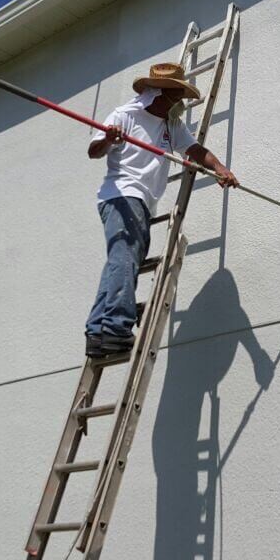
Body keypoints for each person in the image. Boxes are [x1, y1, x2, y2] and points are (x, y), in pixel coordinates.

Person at [85, 62, 238, 358]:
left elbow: (196, 151)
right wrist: (108, 138)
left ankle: (98, 332)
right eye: (178, 96)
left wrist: (221, 169)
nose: (181, 102)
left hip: (143, 200)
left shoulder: (172, 124)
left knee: (121, 261)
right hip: (121, 194)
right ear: (161, 93)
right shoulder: (125, 116)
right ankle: (116, 328)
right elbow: (94, 151)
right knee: (125, 259)